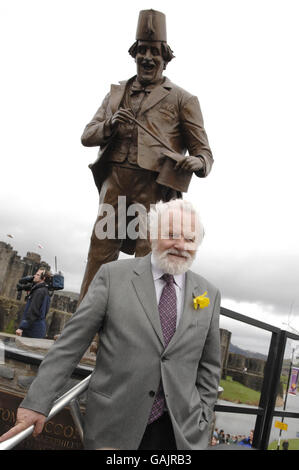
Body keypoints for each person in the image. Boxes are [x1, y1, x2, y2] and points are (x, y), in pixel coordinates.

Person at [0, 199, 221, 450]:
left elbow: (209, 368)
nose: (181, 245)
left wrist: (203, 418)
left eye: (190, 239)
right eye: (172, 234)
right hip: (115, 427)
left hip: (179, 434)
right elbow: (70, 346)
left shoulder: (209, 294)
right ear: (151, 235)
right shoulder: (112, 276)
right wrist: (36, 402)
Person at [78, 9, 214, 302]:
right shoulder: (116, 93)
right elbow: (87, 135)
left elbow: (204, 152)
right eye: (142, 51)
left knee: (144, 264)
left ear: (165, 58)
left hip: (154, 194)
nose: (147, 58)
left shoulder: (182, 99)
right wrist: (110, 125)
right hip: (114, 188)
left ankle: (129, 338)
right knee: (99, 255)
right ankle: (82, 334)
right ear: (134, 54)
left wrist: (199, 162)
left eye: (154, 52)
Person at [15, 269, 51, 339]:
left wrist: (22, 327)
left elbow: (33, 311)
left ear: (43, 278)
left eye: (37, 275)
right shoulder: (43, 290)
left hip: (33, 329)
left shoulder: (40, 292)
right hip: (35, 328)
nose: (34, 276)